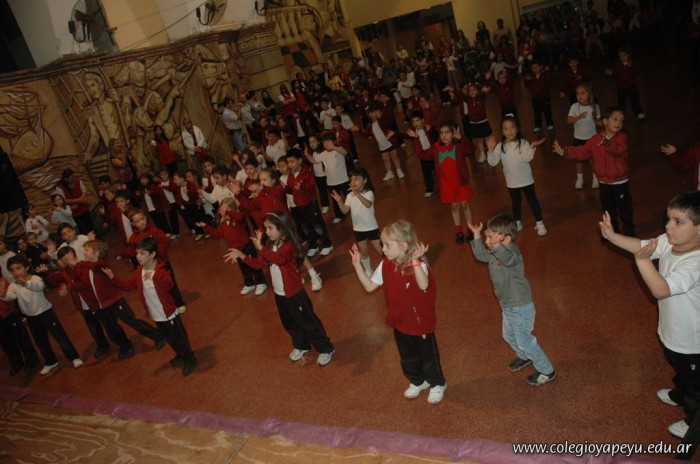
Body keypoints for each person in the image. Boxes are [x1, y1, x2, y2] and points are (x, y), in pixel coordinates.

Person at [599, 191, 700, 438]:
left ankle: (693, 422)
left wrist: (642, 262)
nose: (668, 226)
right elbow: (644, 246)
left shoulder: (695, 263)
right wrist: (613, 237)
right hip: (673, 332)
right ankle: (679, 394)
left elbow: (660, 289)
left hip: (691, 341)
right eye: (669, 218)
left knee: (696, 385)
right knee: (679, 368)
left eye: (678, 222)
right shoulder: (671, 241)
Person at [350, 220, 447, 404]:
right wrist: (357, 265)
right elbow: (370, 286)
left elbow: (423, 285)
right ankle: (418, 381)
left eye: (388, 245)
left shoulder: (419, 266)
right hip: (399, 322)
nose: (383, 249)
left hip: (420, 323)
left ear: (403, 246)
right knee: (408, 357)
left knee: (428, 356)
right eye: (383, 244)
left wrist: (416, 262)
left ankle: (437, 383)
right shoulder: (386, 265)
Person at [224, 212, 335, 366]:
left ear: (281, 228)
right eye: (266, 228)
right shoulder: (270, 245)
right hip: (280, 294)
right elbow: (259, 264)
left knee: (308, 322)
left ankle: (325, 348)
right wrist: (242, 255)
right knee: (289, 322)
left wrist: (261, 248)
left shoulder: (288, 246)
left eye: (270, 228)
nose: (267, 232)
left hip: (294, 293)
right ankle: (302, 345)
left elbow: (280, 259)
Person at [467, 215, 556, 386]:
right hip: (507, 305)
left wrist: (496, 246)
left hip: (519, 306)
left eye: (490, 237)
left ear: (505, 238)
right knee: (508, 335)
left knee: (525, 341)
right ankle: (524, 356)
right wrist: (477, 235)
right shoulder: (495, 251)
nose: (487, 241)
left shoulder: (512, 252)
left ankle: (546, 370)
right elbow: (480, 255)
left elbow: (508, 260)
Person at [105, 237, 196, 376]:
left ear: (152, 254)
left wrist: (154, 276)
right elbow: (127, 286)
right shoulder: (139, 271)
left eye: (142, 253)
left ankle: (189, 358)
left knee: (179, 337)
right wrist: (112, 278)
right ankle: (180, 354)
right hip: (156, 315)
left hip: (168, 314)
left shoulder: (160, 271)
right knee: (169, 337)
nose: (138, 256)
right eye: (137, 252)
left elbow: (169, 285)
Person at [553, 106, 635, 236]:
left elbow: (618, 151)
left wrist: (607, 143)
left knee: (625, 210)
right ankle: (613, 234)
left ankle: (629, 233)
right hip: (604, 183)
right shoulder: (595, 140)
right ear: (605, 121)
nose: (619, 123)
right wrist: (564, 152)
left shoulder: (622, 138)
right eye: (615, 119)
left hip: (620, 183)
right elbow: (582, 152)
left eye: (621, 120)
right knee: (608, 211)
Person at [0, 255, 83, 376]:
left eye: (19, 268)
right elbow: (10, 296)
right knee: (41, 342)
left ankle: (74, 357)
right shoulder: (14, 285)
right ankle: (51, 361)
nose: (16, 272)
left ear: (27, 268)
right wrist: (3, 295)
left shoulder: (35, 279)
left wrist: (25, 283)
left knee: (60, 337)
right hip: (31, 317)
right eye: (12, 270)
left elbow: (39, 287)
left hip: (46, 313)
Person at [54, 246, 135, 360]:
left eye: (67, 255)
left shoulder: (82, 265)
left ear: (73, 253)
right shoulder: (66, 271)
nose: (65, 259)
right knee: (95, 329)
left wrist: (70, 286)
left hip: (96, 302)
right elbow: (55, 279)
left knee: (111, 327)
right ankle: (104, 346)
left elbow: (85, 283)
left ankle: (126, 345)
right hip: (84, 306)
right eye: (62, 258)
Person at [486, 116, 548, 236]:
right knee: (516, 202)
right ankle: (517, 222)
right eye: (506, 128)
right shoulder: (500, 146)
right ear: (502, 132)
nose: (510, 131)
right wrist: (490, 150)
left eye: (512, 127)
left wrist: (531, 146)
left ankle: (540, 223)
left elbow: (527, 158)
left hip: (526, 180)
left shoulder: (523, 143)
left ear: (517, 129)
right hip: (512, 182)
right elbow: (493, 162)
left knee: (532, 201)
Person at [197, 197, 267, 296]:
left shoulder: (238, 219)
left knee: (253, 265)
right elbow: (217, 234)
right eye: (222, 210)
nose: (223, 212)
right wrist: (206, 226)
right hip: (236, 250)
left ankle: (261, 283)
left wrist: (228, 212)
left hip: (247, 247)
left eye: (226, 209)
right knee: (244, 268)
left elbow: (241, 216)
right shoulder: (224, 224)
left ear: (232, 210)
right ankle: (249, 283)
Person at [428, 121, 475, 244]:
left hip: (461, 182)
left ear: (453, 133)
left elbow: (470, 149)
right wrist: (418, 138)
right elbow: (423, 154)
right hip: (447, 184)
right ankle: (458, 230)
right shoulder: (436, 148)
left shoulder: (458, 146)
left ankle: (470, 228)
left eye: (447, 132)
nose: (444, 135)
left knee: (465, 205)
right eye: (441, 133)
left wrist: (462, 139)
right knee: (454, 206)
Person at [330, 167, 382, 276]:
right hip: (358, 229)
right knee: (363, 251)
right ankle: (368, 270)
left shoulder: (369, 193)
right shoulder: (349, 196)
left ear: (365, 180)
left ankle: (393, 265)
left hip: (371, 227)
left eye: (356, 179)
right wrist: (339, 201)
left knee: (381, 250)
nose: (353, 181)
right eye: (351, 179)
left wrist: (357, 193)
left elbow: (368, 204)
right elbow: (345, 210)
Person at [283, 149, 333, 258]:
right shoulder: (291, 175)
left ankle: (327, 244)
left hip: (310, 204)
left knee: (317, 225)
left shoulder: (306, 173)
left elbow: (312, 189)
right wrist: (285, 189)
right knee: (306, 226)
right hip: (299, 206)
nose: (290, 165)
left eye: (292, 162)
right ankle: (313, 245)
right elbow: (290, 189)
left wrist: (302, 186)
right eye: (288, 162)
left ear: (300, 160)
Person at [0, 273, 39, 375]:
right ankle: (16, 363)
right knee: (6, 342)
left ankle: (31, 359)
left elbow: (10, 297)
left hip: (9, 314)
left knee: (21, 338)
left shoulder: (2, 282)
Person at [566, 83, 602, 190]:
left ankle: (595, 178)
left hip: (592, 138)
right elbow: (568, 120)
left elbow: (600, 123)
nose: (580, 96)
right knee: (579, 159)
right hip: (578, 138)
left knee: (593, 159)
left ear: (589, 94)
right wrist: (577, 117)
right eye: (577, 93)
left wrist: (599, 121)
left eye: (583, 93)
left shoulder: (595, 107)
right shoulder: (574, 107)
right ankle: (579, 179)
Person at [367, 103, 405, 181]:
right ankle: (389, 172)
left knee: (395, 157)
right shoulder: (370, 124)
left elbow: (388, 124)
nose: (372, 114)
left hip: (390, 142)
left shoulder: (382, 120)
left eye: (374, 112)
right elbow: (366, 134)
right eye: (370, 112)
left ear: (378, 111)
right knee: (385, 159)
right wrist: (358, 130)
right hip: (382, 145)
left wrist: (380, 117)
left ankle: (399, 170)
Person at [605, 46, 645, 120]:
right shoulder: (617, 65)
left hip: (631, 86)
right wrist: (611, 73)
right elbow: (615, 75)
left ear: (629, 55)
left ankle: (639, 112)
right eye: (620, 56)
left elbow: (637, 70)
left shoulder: (632, 64)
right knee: (621, 102)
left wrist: (632, 66)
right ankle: (621, 114)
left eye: (624, 55)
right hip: (621, 87)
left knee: (634, 100)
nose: (622, 58)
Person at [406, 111, 436, 198]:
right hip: (424, 156)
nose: (415, 123)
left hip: (433, 154)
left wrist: (431, 128)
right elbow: (404, 134)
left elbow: (436, 135)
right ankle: (429, 188)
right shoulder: (413, 132)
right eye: (413, 121)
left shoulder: (428, 128)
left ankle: (443, 185)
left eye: (417, 120)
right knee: (426, 173)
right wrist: (395, 133)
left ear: (422, 120)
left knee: (438, 171)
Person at [55, 168, 94, 234]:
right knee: (81, 230)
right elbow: (63, 200)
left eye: (74, 176)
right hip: (73, 212)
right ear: (66, 179)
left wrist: (81, 200)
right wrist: (79, 200)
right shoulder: (60, 187)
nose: (74, 179)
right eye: (72, 178)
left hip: (83, 208)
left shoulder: (78, 181)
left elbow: (84, 192)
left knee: (90, 226)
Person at [524, 62, 554, 132]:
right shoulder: (531, 76)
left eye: (536, 67)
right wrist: (527, 80)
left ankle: (550, 124)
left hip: (545, 97)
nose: (535, 69)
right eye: (533, 68)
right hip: (535, 98)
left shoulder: (544, 74)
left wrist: (546, 72)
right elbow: (526, 85)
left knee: (547, 111)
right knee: (537, 113)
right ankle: (538, 126)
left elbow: (550, 81)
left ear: (540, 67)